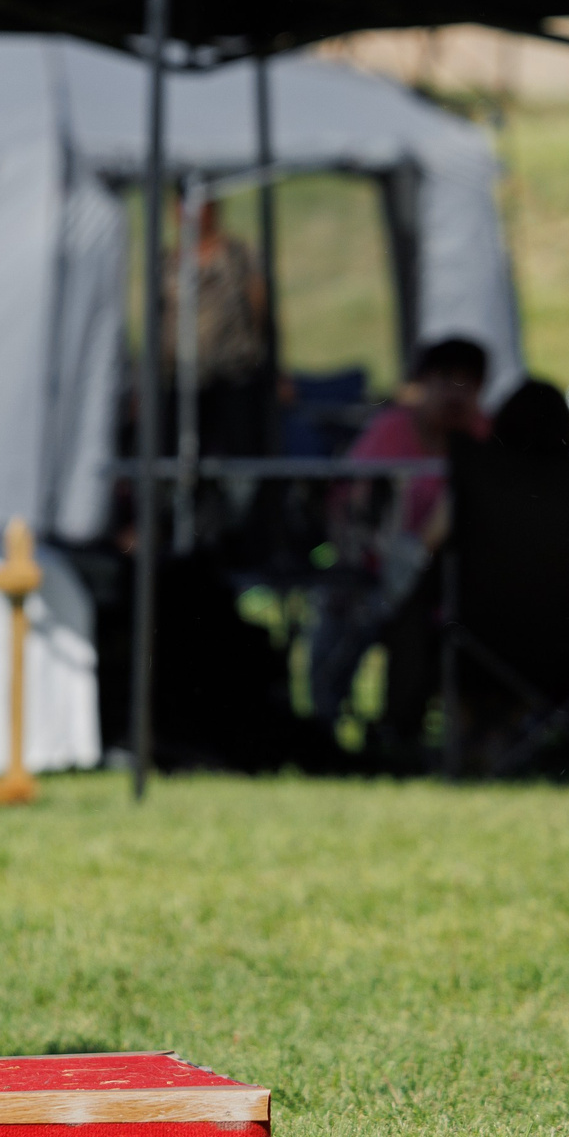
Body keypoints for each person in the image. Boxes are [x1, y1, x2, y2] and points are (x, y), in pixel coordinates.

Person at [307, 337, 490, 745]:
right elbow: (347, 505)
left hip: (457, 587)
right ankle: (323, 726)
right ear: (421, 383)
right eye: (446, 380)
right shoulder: (390, 430)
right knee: (344, 604)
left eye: (468, 383)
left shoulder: (485, 437)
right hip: (375, 575)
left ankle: (402, 735)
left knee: (412, 613)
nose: (455, 395)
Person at [165, 196, 269, 458]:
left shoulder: (237, 255)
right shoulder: (166, 262)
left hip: (234, 377)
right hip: (181, 380)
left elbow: (261, 313)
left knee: (240, 456)